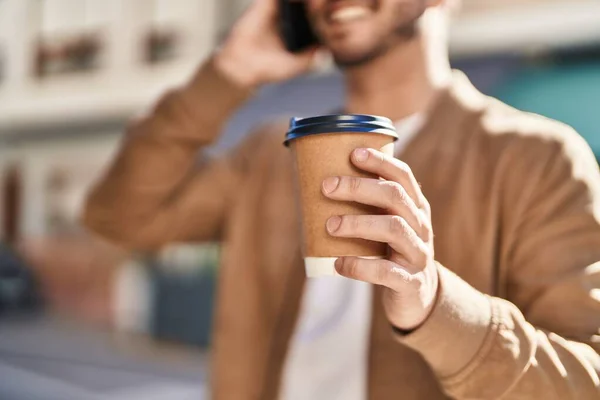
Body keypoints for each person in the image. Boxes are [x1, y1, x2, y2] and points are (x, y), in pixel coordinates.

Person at [83, 0, 600, 398]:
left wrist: (436, 305)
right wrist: (230, 72)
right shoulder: (265, 153)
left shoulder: (538, 158)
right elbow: (119, 216)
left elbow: (587, 381)